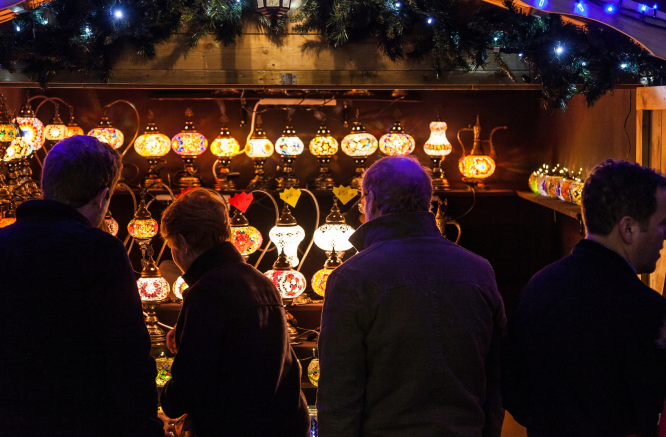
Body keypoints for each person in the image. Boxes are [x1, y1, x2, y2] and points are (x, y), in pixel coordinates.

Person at [0, 136, 163, 437]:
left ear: (47, 184)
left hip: (11, 423)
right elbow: (128, 355)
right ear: (103, 196)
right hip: (90, 425)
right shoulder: (100, 251)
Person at [317, 155, 506, 437]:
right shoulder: (478, 269)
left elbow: (339, 392)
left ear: (371, 200)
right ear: (427, 200)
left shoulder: (352, 277)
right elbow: (496, 375)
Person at [503, 159, 666, 437]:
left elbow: (513, 392)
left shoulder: (537, 287)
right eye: (662, 224)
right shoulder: (645, 308)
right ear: (628, 228)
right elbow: (649, 411)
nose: (664, 237)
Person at [158, 188, 309, 437]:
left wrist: (166, 398)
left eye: (171, 245)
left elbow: (188, 390)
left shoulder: (207, 291)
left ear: (183, 243)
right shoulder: (263, 282)